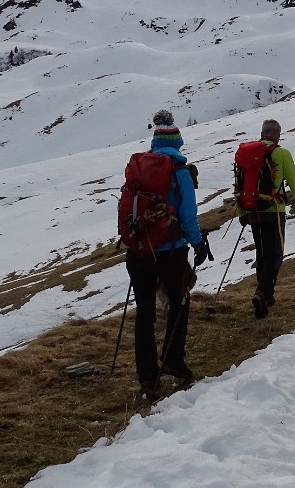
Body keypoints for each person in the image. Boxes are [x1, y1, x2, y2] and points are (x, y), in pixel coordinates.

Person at [126, 110, 212, 400]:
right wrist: (198, 245)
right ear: (177, 141)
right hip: (171, 253)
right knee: (179, 302)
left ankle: (148, 378)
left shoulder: (138, 168)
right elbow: (188, 215)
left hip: (138, 254)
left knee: (145, 314)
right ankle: (173, 360)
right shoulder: (180, 172)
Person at [242, 118, 295, 318]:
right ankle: (261, 292)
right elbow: (293, 180)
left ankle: (267, 296)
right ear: (277, 134)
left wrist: (242, 213)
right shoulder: (282, 153)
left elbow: (239, 185)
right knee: (275, 254)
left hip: (252, 211)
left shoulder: (247, 153)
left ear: (262, 133)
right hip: (274, 210)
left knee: (262, 252)